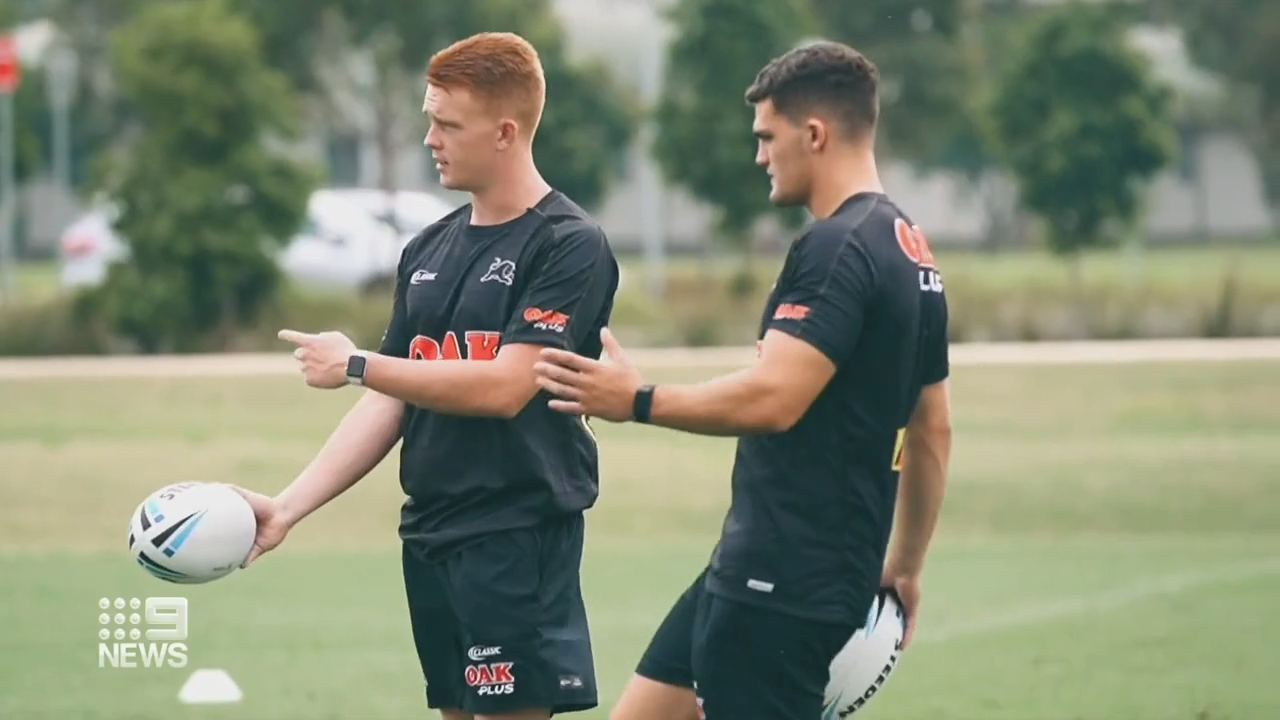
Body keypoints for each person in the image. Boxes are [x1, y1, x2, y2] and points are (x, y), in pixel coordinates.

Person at [532, 40, 952, 720]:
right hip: (770, 569)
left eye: (767, 135)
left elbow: (775, 398)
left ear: (813, 134)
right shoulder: (909, 249)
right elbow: (933, 428)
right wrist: (905, 566)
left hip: (782, 582)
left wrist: (635, 400)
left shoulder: (834, 247)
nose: (759, 154)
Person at [233, 32, 619, 720]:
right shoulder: (428, 248)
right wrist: (286, 507)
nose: (429, 138)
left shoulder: (568, 245)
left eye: (446, 123)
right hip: (432, 536)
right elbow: (393, 401)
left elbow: (507, 387)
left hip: (515, 537)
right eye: (428, 118)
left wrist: (356, 362)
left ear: (505, 132)